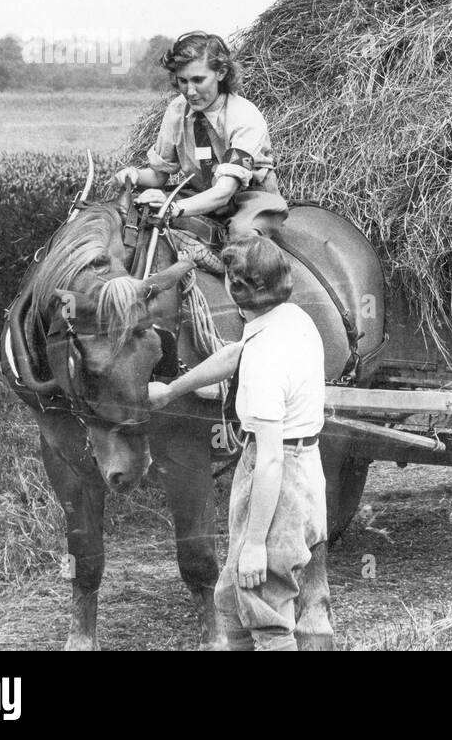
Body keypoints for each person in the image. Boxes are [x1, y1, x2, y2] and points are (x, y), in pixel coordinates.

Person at [149, 236, 332, 651]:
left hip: (277, 479)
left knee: (264, 607)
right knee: (232, 599)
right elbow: (237, 352)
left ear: (235, 288)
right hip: (303, 467)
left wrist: (254, 544)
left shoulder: (266, 363)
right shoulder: (292, 320)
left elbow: (269, 460)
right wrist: (172, 389)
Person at [113, 32, 288, 240]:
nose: (190, 91)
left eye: (198, 80)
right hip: (198, 195)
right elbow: (159, 175)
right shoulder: (177, 110)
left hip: (248, 199)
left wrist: (174, 208)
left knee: (242, 236)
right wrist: (133, 175)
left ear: (221, 73)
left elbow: (225, 191)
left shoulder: (245, 117)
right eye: (183, 81)